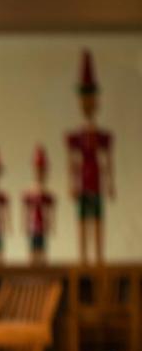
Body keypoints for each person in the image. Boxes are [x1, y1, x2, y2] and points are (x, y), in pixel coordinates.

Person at [66, 49, 114, 265]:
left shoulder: (102, 136)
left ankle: (99, 257)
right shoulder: (76, 136)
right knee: (83, 220)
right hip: (84, 181)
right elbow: (72, 162)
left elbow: (107, 160)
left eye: (90, 98)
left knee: (97, 220)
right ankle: (84, 257)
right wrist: (73, 183)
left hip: (95, 180)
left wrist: (110, 183)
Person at [23, 146, 56, 266]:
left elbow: (50, 212)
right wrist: (26, 224)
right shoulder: (29, 194)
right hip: (33, 226)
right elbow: (27, 211)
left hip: (42, 226)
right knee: (33, 250)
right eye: (37, 170)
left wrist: (51, 224)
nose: (39, 173)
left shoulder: (47, 195)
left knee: (42, 250)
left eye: (41, 170)